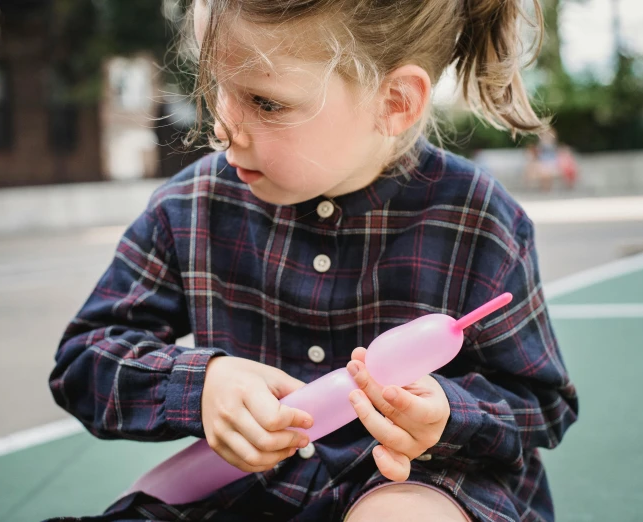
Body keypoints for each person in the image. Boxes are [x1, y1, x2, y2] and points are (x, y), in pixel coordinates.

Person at [48, 1, 578, 520]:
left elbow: (541, 404)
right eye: (215, 88)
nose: (222, 127)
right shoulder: (189, 206)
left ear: (394, 101)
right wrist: (201, 383)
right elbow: (83, 361)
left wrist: (449, 414)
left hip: (419, 481)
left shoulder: (478, 217)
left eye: (265, 102)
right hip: (242, 493)